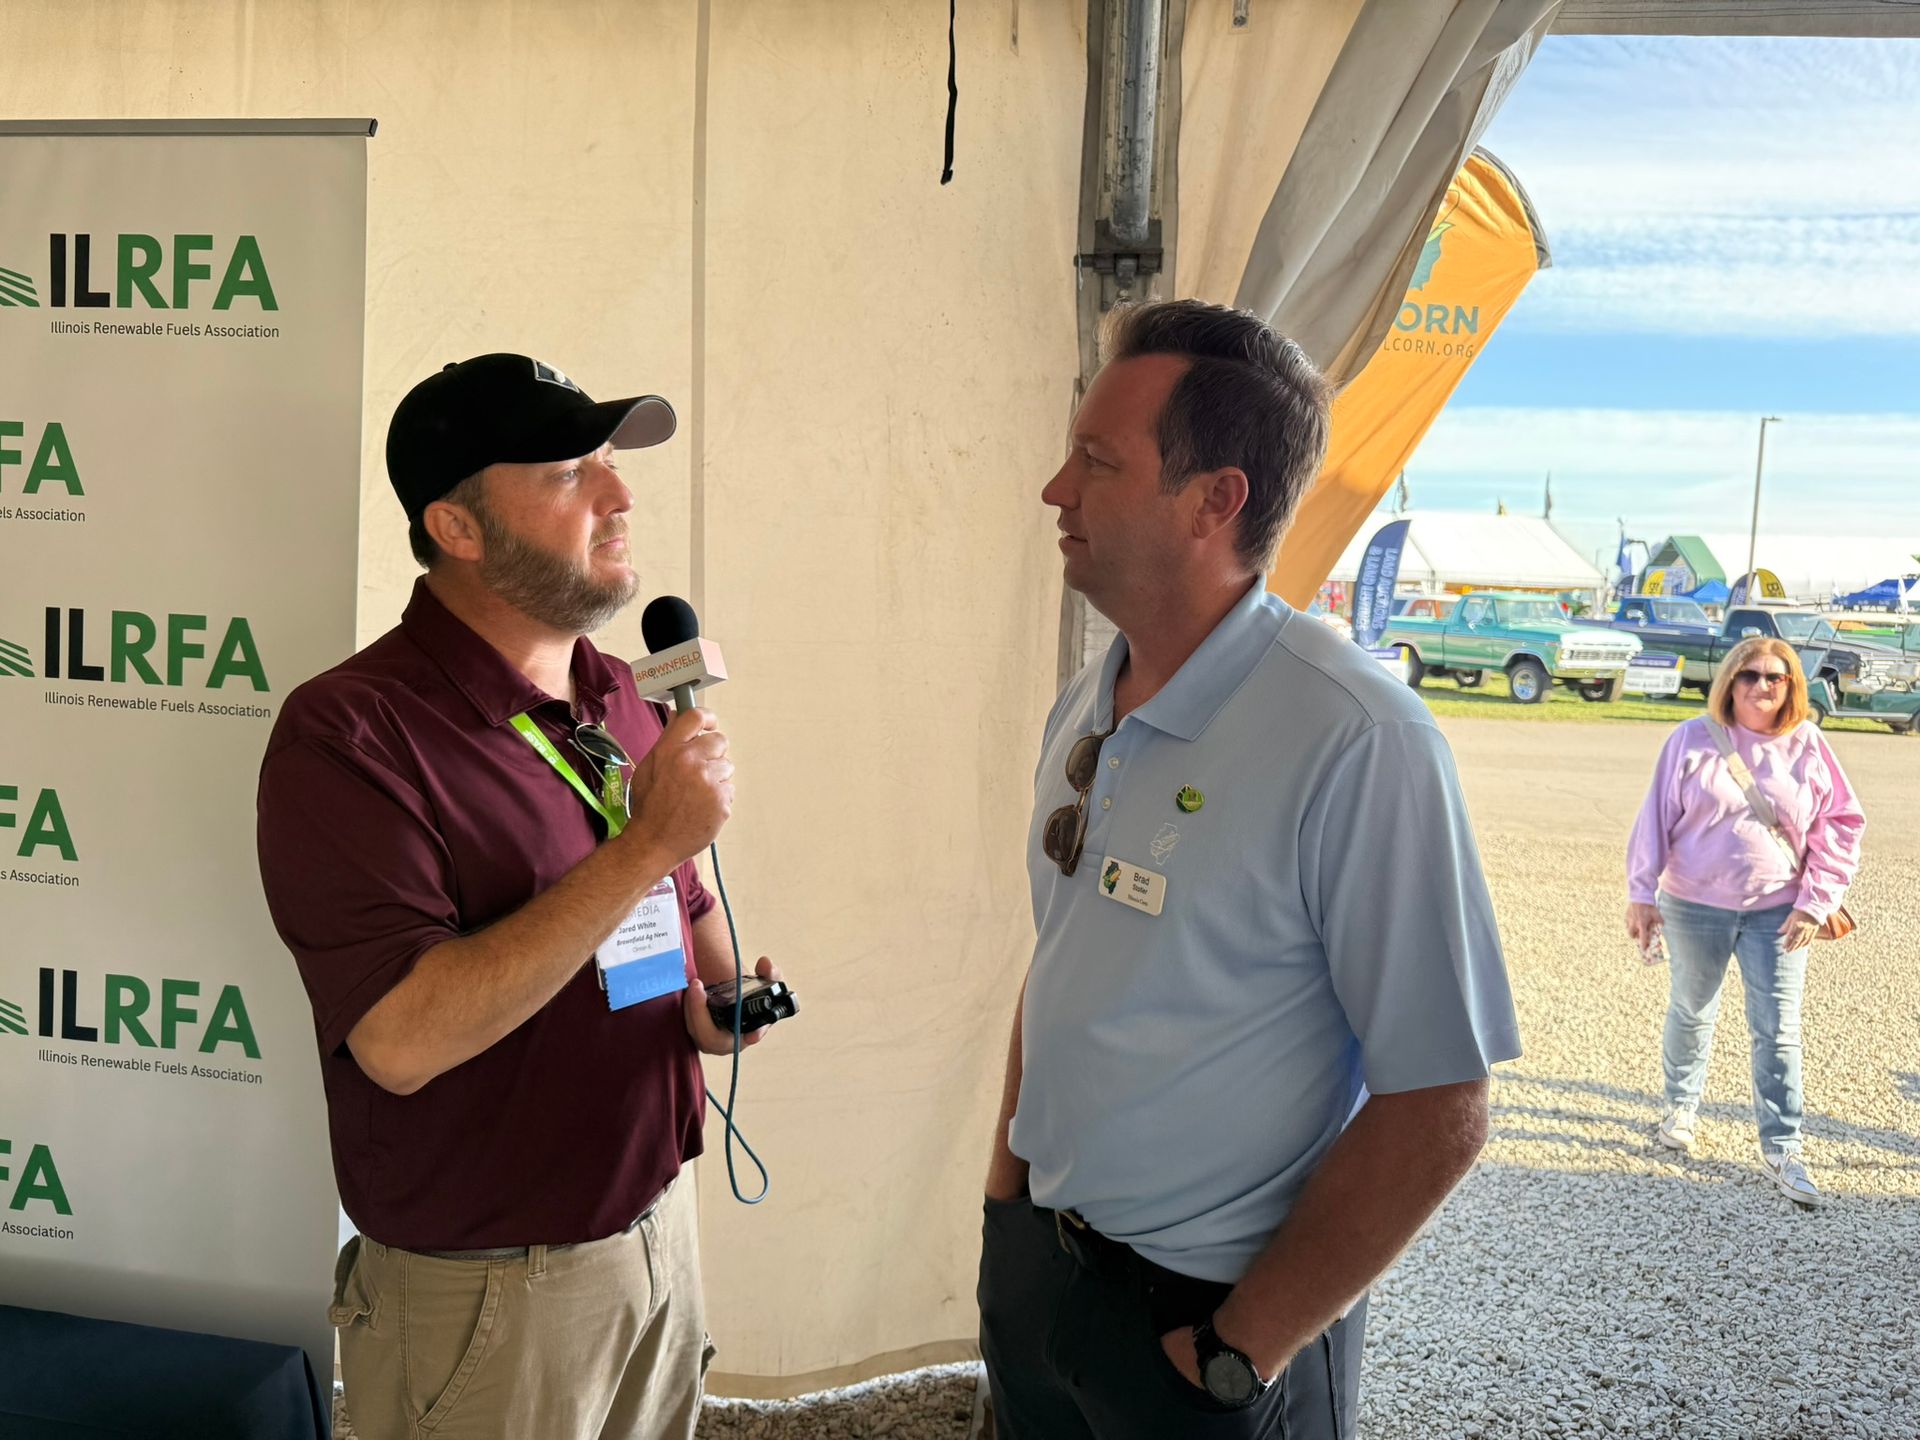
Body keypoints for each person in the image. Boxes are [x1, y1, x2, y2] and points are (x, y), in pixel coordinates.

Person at [978, 300, 1521, 1440]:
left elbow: (1441, 1104)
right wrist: (1007, 1206)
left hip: (1207, 1330)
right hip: (1044, 1271)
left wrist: (1237, 1350)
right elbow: (1066, 953)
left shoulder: (1357, 737)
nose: (1054, 491)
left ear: (1213, 500)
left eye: (1096, 460)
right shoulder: (1093, 694)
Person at [256, 354, 784, 1439]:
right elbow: (400, 1039)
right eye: (567, 471)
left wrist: (712, 1006)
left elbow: (681, 924)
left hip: (657, 1244)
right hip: (493, 1296)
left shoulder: (619, 695)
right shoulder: (350, 734)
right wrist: (642, 851)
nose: (621, 496)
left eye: (610, 464)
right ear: (456, 528)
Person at [1626, 635, 1863, 1206]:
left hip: (1780, 911)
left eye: (1775, 677)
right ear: (1729, 681)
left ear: (1791, 687)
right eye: (1750, 675)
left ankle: (1783, 1144)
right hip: (1693, 904)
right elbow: (1655, 818)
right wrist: (1642, 891)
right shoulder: (1690, 739)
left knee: (1778, 1029)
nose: (1761, 686)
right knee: (1691, 1008)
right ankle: (1680, 1110)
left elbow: (1842, 822)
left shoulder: (1807, 744)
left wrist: (1817, 899)